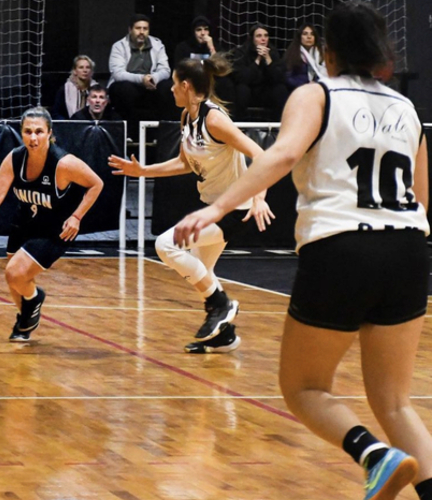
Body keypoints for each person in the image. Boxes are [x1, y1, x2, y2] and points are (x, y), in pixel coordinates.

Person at [174, 3, 432, 498]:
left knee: (305, 388)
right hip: (408, 250)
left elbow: (284, 153)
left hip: (342, 246)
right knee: (397, 402)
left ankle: (372, 454)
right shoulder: (407, 108)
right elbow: (423, 196)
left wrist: (217, 208)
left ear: (327, 51)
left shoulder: (316, 94)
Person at [108, 54, 274, 354]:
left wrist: (259, 197)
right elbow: (185, 163)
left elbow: (261, 155)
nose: (169, 90)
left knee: (165, 245)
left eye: (173, 84)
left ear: (185, 86)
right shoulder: (188, 117)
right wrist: (144, 171)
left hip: (233, 209)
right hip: (212, 205)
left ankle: (222, 305)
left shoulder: (214, 119)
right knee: (202, 273)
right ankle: (224, 337)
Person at [0, 107, 104, 342]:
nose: (33, 138)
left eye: (39, 131)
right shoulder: (15, 158)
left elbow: (96, 184)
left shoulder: (64, 163)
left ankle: (34, 300)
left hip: (55, 229)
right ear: (21, 133)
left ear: (49, 133)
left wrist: (77, 216)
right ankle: (25, 321)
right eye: (28, 132)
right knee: (14, 279)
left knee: (15, 273)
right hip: (24, 222)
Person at [108, 14, 178, 135]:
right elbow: (118, 73)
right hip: (130, 84)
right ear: (130, 30)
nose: (142, 32)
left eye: (145, 29)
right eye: (138, 28)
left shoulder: (157, 44)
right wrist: (141, 79)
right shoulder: (119, 46)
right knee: (123, 89)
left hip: (151, 85)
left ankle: (164, 133)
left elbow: (165, 70)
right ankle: (129, 133)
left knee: (169, 88)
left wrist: (154, 78)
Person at [173, 15, 236, 115]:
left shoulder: (215, 46)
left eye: (206, 29)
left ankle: (225, 116)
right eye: (199, 30)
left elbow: (221, 69)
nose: (203, 33)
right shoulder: (183, 47)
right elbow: (179, 68)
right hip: (191, 79)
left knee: (226, 84)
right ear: (193, 32)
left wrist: (211, 48)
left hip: (211, 79)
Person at [231, 24, 288, 120]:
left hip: (265, 93)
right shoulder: (241, 52)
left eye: (266, 36)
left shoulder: (273, 53)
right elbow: (243, 78)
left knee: (280, 89)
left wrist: (268, 59)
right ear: (252, 39)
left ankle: (278, 127)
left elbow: (278, 78)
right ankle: (239, 126)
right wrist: (258, 59)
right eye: (259, 36)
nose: (263, 39)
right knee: (242, 89)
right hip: (249, 93)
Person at [51, 55, 97, 120]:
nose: (85, 70)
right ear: (75, 71)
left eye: (88, 67)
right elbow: (56, 112)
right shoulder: (65, 89)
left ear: (91, 71)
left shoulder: (97, 89)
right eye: (81, 67)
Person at [283, 23, 327, 91]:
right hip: (298, 91)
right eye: (305, 34)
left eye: (312, 34)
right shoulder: (292, 54)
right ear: (299, 37)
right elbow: (287, 78)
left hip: (318, 90)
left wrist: (316, 84)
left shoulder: (322, 54)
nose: (309, 37)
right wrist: (305, 85)